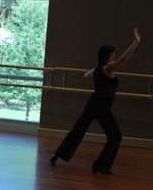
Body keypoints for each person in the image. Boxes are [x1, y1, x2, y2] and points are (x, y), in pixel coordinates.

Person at [49, 28, 141, 174]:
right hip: (102, 107)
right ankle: (100, 165)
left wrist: (97, 73)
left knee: (77, 131)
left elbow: (86, 75)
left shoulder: (96, 71)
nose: (114, 58)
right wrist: (136, 42)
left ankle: (56, 156)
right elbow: (123, 59)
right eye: (113, 56)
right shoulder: (108, 68)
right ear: (110, 56)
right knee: (116, 136)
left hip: (92, 104)